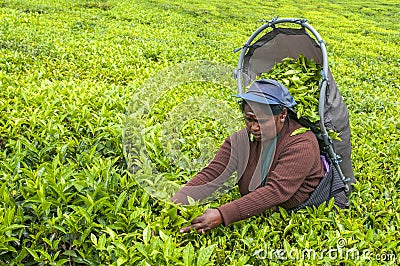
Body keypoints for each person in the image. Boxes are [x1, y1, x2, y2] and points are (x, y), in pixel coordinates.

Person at [171, 79, 343, 234]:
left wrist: (222, 214)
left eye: (261, 121)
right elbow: (212, 173)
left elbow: (275, 191)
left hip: (298, 213)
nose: (254, 127)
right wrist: (175, 203)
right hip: (264, 208)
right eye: (249, 119)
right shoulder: (241, 140)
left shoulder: (302, 143)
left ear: (282, 115)